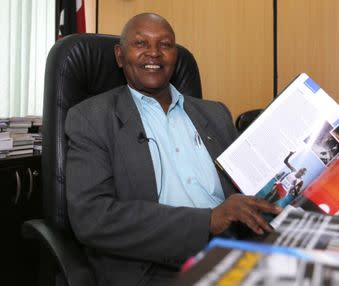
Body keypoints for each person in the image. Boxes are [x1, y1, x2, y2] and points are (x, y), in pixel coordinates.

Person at [65, 12, 282, 286]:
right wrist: (208, 221)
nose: (154, 53)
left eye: (165, 45)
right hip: (154, 268)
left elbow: (248, 184)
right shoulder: (91, 118)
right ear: (120, 56)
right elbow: (92, 217)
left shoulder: (215, 113)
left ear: (174, 56)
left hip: (237, 251)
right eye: (141, 44)